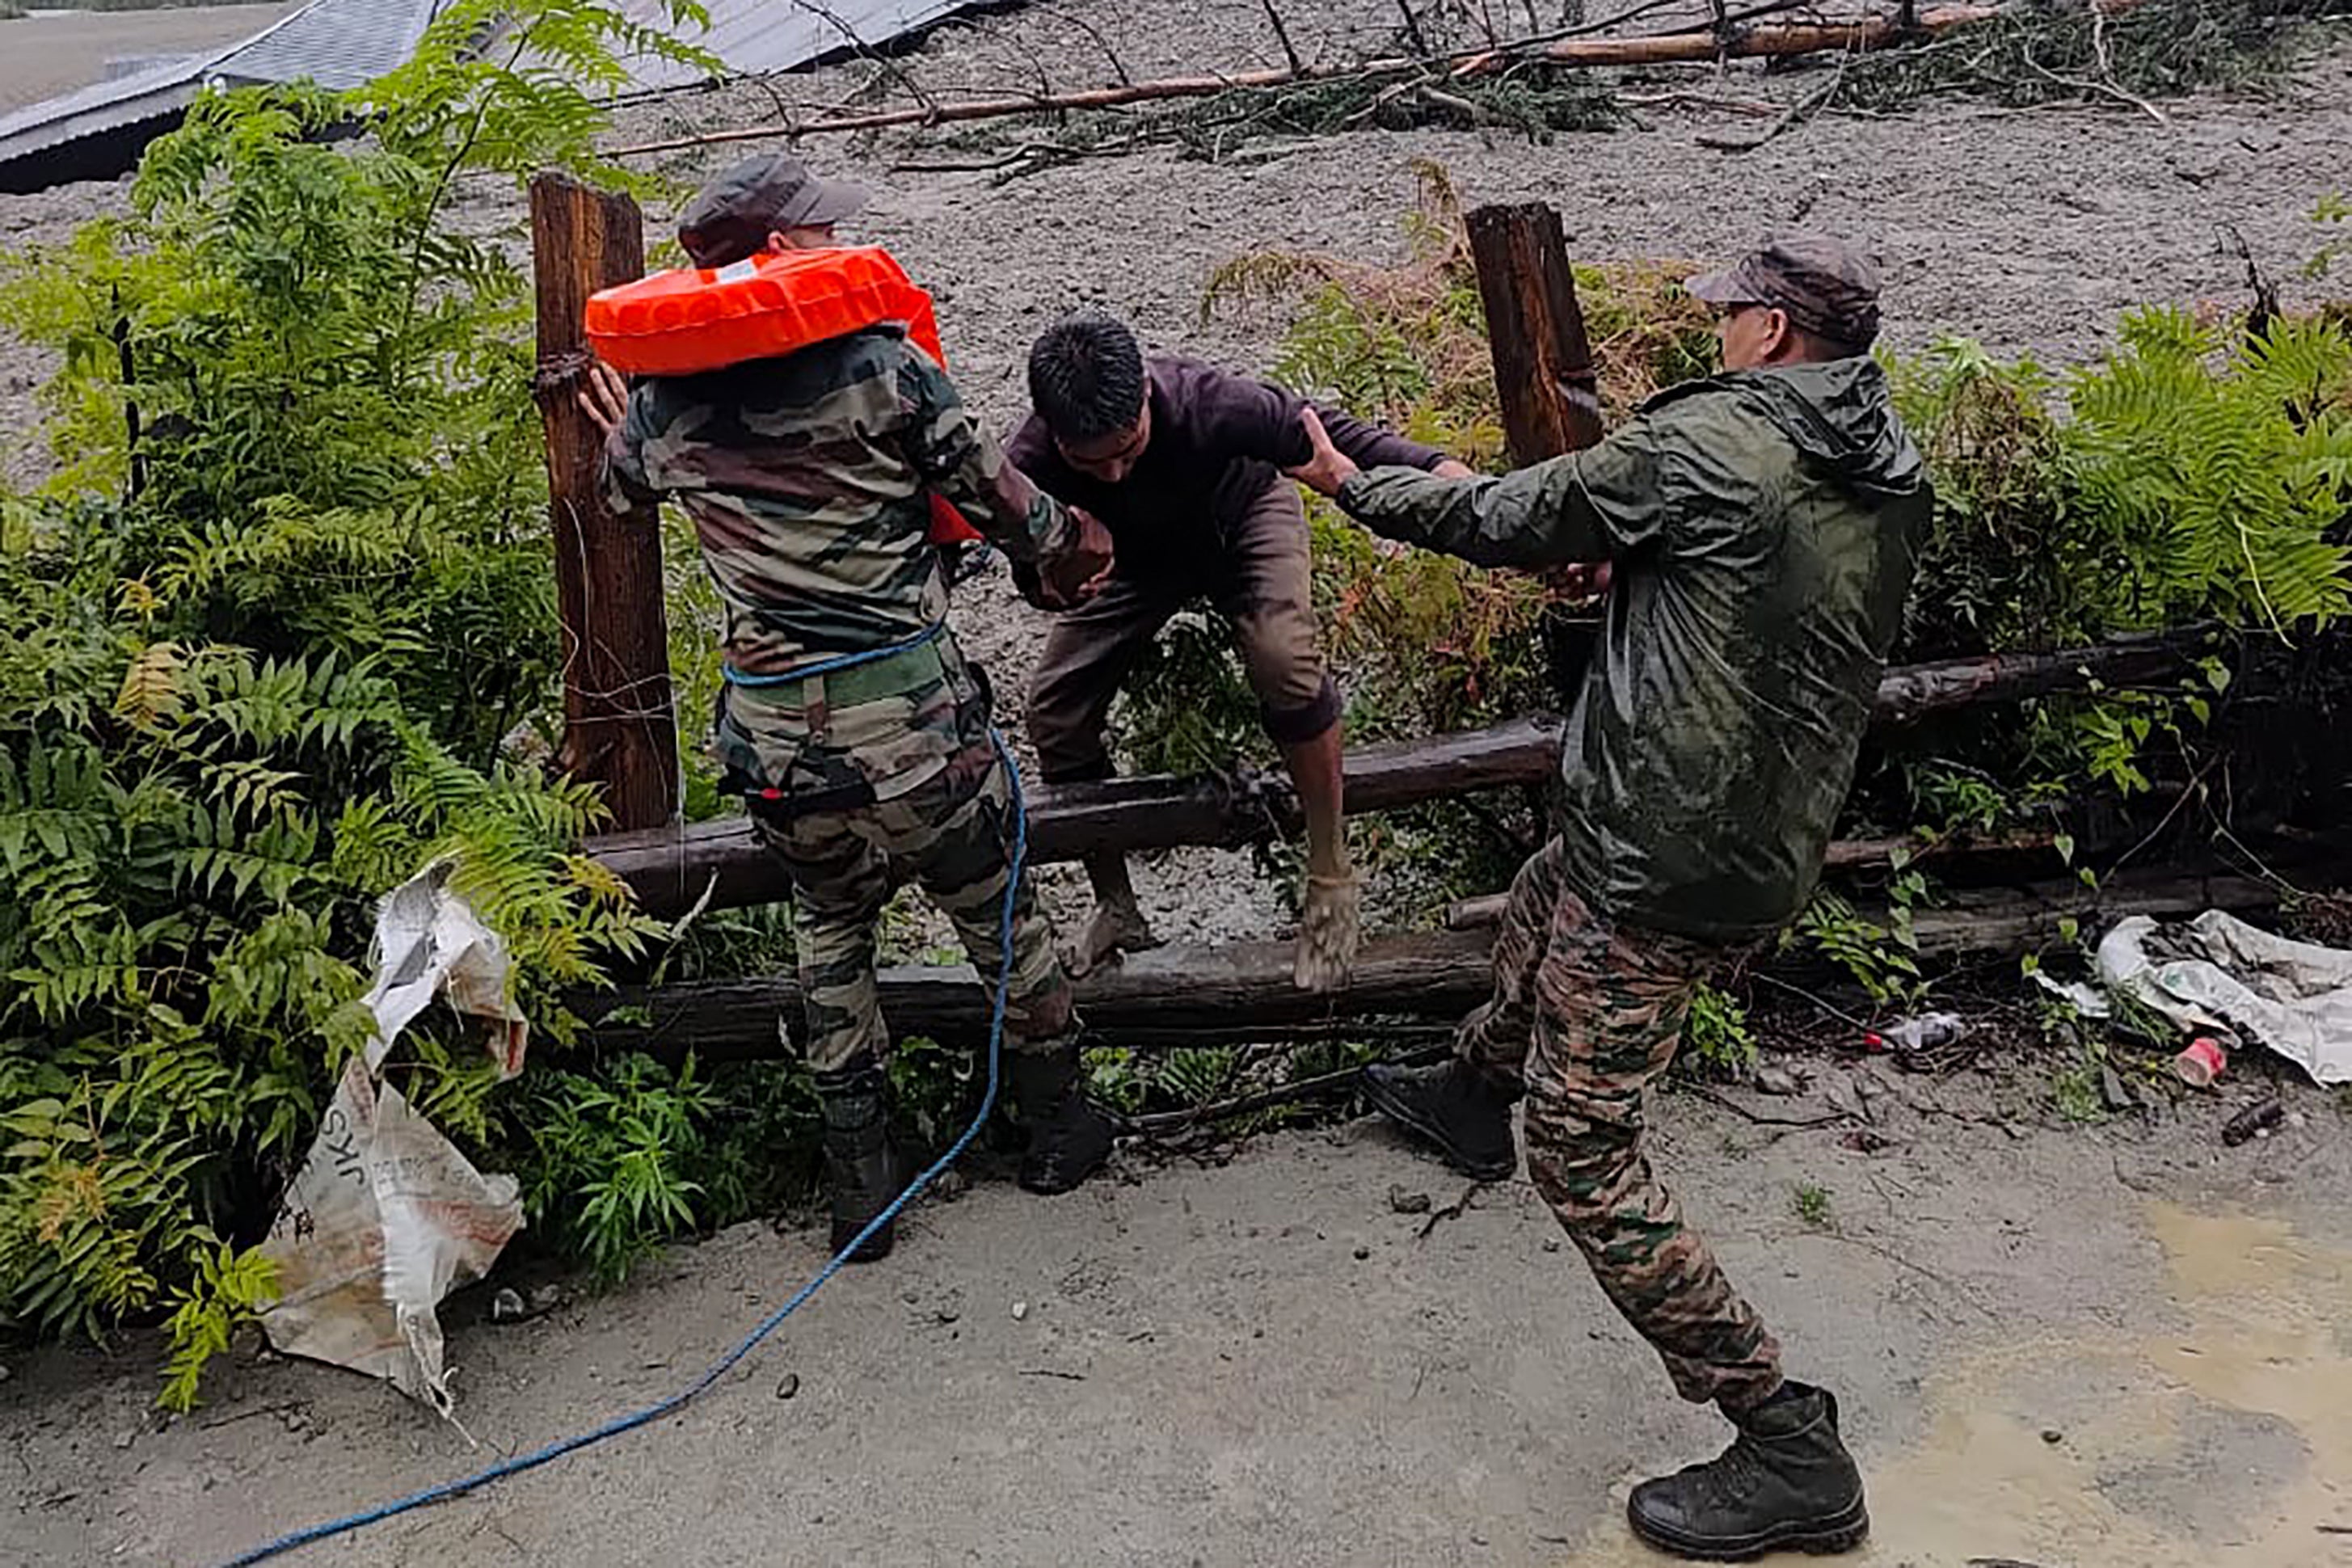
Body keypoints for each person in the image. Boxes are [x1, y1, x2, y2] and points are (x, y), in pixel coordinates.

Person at [1284, 235, 1931, 1561]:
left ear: (1773, 333)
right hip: (1753, 827)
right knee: (1544, 897)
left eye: (1729, 315)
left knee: (1584, 1153)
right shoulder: (1884, 458)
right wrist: (1642, 567)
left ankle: (1786, 1441)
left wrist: (1349, 483)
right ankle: (1471, 1094)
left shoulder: (1705, 450)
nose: (1716, 334)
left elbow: (1502, 519)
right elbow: (1755, 596)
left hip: (1669, 853)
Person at [577, 154, 1121, 1264]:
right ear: (778, 251)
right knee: (997, 913)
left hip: (776, 748)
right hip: (914, 734)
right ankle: (1059, 1129)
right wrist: (1086, 543)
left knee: (828, 927)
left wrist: (616, 424)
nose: (843, 245)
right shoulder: (887, 369)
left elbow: (620, 495)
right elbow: (1005, 512)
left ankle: (860, 1188)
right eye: (823, 231)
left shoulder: (661, 402)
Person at [1006, 312, 1475, 991]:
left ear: (1144, 394)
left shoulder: (1209, 404)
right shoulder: (1027, 466)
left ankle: (1330, 874)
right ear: (1053, 432)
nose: (1111, 474)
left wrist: (1446, 475)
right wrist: (1061, 580)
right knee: (1054, 710)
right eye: (1090, 462)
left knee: (1282, 655)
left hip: (1244, 520)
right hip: (1133, 565)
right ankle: (1116, 905)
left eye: (1128, 449)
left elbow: (1337, 438)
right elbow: (1032, 581)